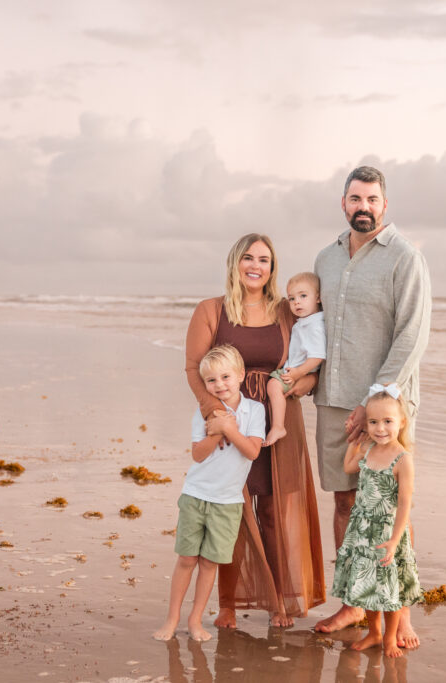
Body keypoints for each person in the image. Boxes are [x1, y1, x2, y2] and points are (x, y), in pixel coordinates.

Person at [313, 165, 431, 647]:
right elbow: (312, 324)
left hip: (387, 406)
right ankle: (354, 601)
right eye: (356, 199)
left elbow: (413, 333)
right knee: (345, 502)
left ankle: (400, 613)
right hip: (334, 400)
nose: (364, 207)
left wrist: (374, 397)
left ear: (385, 204)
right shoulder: (325, 257)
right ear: (344, 203)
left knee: (390, 504)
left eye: (373, 200)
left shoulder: (405, 258)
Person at [185, 233, 325, 628]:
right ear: (235, 262)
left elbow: (312, 363)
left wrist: (298, 385)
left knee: (276, 513)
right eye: (248, 257)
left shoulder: (287, 309)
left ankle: (279, 599)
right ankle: (228, 602)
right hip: (232, 420)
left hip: (279, 421)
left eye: (264, 259)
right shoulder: (211, 309)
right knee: (233, 510)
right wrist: (218, 417)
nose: (255, 266)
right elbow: (194, 368)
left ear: (272, 268)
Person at [153, 345, 264, 642]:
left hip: (227, 503)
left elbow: (252, 451)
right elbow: (198, 455)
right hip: (196, 495)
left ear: (240, 375)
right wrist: (216, 431)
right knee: (187, 559)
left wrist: (229, 429)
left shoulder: (255, 410)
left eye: (226, 377)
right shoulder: (203, 414)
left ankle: (195, 619)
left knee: (209, 563)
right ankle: (172, 617)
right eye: (211, 381)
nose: (220, 385)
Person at [330, 385, 420, 658]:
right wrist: (354, 444)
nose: (380, 428)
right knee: (367, 584)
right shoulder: (368, 450)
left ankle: (390, 638)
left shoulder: (403, 459)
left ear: (401, 422)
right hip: (362, 531)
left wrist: (395, 539)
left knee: (390, 589)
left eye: (387, 422)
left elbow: (405, 503)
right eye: (373, 422)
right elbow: (348, 468)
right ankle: (374, 632)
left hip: (386, 533)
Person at [264, 272, 325, 447]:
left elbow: (318, 356)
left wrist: (299, 372)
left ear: (318, 298)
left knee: (273, 385)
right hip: (296, 369)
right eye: (291, 298)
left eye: (303, 296)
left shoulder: (314, 326)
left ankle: (278, 426)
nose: (296, 302)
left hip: (298, 370)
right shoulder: (305, 322)